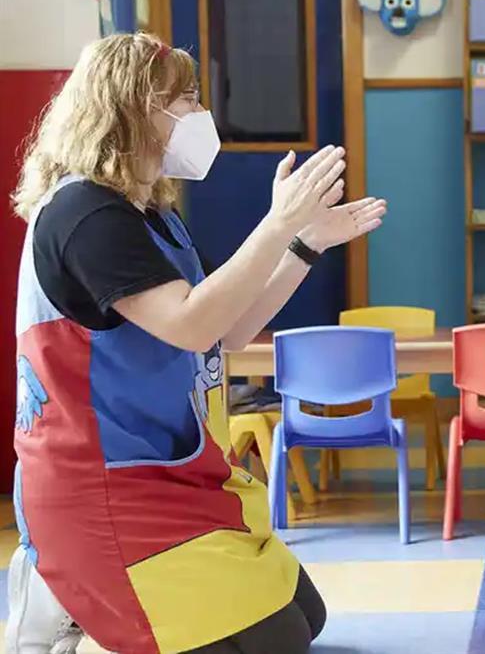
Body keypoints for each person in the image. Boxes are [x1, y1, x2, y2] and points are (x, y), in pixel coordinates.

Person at [6, 32, 386, 654]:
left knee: (303, 617)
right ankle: (73, 626)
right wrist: (277, 222)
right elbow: (191, 323)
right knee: (276, 640)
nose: (198, 115)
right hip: (106, 489)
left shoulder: (150, 216)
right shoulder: (84, 214)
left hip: (172, 471)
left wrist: (304, 245)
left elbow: (224, 329)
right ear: (131, 109)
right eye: (183, 100)